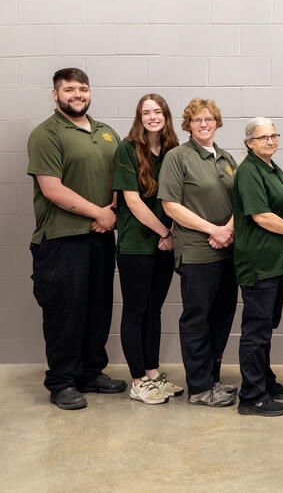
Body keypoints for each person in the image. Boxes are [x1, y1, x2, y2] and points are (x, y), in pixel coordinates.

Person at [27, 68, 126, 410]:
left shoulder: (106, 132)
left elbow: (120, 178)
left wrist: (110, 210)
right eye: (69, 89)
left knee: (97, 309)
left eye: (83, 88)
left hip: (100, 238)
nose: (78, 94)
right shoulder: (47, 134)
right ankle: (62, 382)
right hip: (61, 240)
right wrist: (98, 214)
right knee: (65, 313)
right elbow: (52, 189)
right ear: (56, 95)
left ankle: (91, 372)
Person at [158, 98, 239, 408]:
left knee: (222, 318)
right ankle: (199, 387)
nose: (204, 124)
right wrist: (212, 230)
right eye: (197, 120)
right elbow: (171, 205)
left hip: (227, 252)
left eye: (209, 119)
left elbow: (240, 200)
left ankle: (213, 379)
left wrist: (227, 230)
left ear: (217, 122)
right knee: (197, 320)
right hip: (197, 253)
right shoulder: (177, 158)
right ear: (188, 125)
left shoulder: (227, 158)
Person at [113, 94, 183, 404]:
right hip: (136, 246)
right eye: (146, 112)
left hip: (164, 245)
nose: (152, 116)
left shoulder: (172, 151)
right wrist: (165, 231)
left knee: (154, 310)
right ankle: (138, 380)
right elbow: (132, 202)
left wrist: (170, 236)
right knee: (135, 311)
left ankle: (153, 373)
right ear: (139, 117)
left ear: (166, 116)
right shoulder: (128, 149)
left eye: (157, 111)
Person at [233, 118, 283, 417]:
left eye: (273, 135)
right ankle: (251, 396)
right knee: (255, 330)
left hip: (276, 262)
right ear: (249, 142)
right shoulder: (249, 171)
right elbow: (261, 215)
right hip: (259, 262)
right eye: (262, 137)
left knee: (266, 327)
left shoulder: (271, 167)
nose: (270, 141)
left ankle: (264, 381)